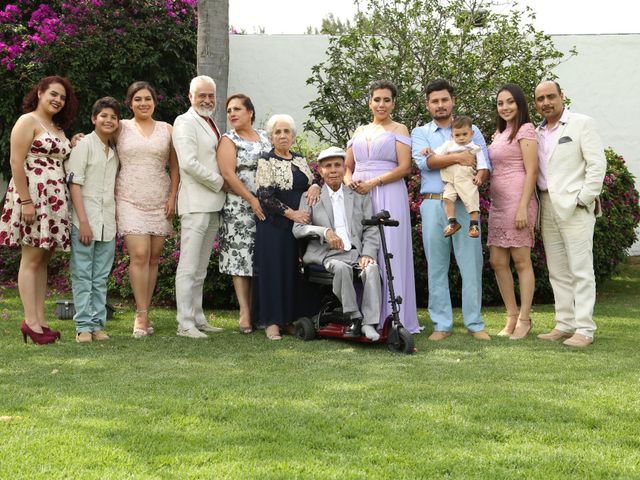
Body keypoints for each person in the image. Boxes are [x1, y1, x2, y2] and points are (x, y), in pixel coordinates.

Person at [411, 78, 491, 341]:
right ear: (428, 104)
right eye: (435, 101)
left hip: (466, 206)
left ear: (452, 101)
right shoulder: (420, 133)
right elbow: (427, 163)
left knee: (471, 265)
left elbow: (484, 164)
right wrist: (458, 157)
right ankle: (441, 324)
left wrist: (458, 162)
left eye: (445, 99)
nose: (440, 105)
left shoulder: (471, 129)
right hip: (435, 203)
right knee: (436, 266)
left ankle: (475, 323)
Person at [0, 76, 78, 344]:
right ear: (40, 92)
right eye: (53, 94)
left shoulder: (56, 127)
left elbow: (61, 157)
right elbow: (15, 161)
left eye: (62, 97)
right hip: (33, 197)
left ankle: (40, 321)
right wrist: (25, 202)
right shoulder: (27, 121)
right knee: (31, 259)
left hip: (54, 200)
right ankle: (30, 322)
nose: (57, 100)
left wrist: (74, 142)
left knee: (43, 260)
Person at [344, 80, 420, 334]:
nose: (381, 104)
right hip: (359, 197)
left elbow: (404, 167)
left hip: (388, 192)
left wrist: (373, 182)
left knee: (391, 250)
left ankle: (394, 316)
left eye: (387, 100)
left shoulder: (400, 129)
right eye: (377, 99)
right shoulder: (359, 130)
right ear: (369, 102)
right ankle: (362, 317)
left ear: (393, 103)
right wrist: (350, 183)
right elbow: (347, 167)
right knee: (362, 250)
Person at [534, 80, 606, 347]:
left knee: (581, 269)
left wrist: (584, 198)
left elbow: (597, 164)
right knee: (558, 271)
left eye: (551, 96)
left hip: (575, 207)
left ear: (562, 96)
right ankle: (564, 324)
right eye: (540, 99)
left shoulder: (581, 123)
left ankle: (585, 328)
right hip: (546, 205)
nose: (546, 103)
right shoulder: (537, 132)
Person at [293, 146, 382, 341]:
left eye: (337, 165)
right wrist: (324, 231)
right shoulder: (310, 197)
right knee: (341, 268)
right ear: (320, 171)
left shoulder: (359, 196)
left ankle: (369, 323)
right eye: (327, 166)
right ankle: (355, 317)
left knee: (373, 269)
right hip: (326, 255)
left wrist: (368, 254)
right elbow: (298, 229)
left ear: (344, 168)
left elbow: (370, 228)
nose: (333, 170)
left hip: (355, 253)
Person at [115, 81, 179, 338]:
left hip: (160, 199)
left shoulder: (167, 129)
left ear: (154, 102)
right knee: (139, 255)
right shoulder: (120, 127)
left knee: (153, 258)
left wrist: (173, 197)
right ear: (129, 102)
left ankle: (146, 309)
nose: (143, 103)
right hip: (129, 197)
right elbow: (98, 140)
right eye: (138, 99)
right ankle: (140, 315)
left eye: (148, 99)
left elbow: (175, 168)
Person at [253, 114, 318, 340]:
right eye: (277, 132)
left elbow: (314, 180)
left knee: (294, 272)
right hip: (275, 225)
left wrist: (316, 187)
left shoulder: (300, 160)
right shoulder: (266, 160)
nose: (282, 135)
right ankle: (271, 321)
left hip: (299, 227)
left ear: (293, 135)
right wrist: (292, 214)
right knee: (274, 272)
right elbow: (265, 196)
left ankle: (290, 320)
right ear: (271, 137)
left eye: (286, 131)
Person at [172, 75, 227, 339]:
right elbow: (188, 164)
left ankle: (198, 316)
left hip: (212, 204)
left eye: (210, 96)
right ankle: (184, 323)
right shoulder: (184, 121)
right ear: (190, 96)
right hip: (195, 203)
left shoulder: (210, 122)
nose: (207, 100)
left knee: (201, 267)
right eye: (201, 95)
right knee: (189, 265)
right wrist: (220, 182)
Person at [65, 97, 121, 343]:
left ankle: (98, 324)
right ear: (93, 119)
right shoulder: (83, 145)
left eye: (113, 117)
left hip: (108, 222)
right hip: (84, 222)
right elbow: (75, 185)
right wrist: (84, 222)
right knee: (82, 274)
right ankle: (83, 326)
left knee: (100, 277)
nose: (108, 120)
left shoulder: (115, 151)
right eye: (104, 116)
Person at [487, 84, 539, 340]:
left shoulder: (526, 130)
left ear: (520, 104)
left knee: (521, 261)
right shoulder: (499, 133)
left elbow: (532, 171)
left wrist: (522, 207)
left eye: (510, 102)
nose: (505, 107)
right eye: (500, 103)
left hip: (519, 203)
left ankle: (525, 319)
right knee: (497, 262)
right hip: (497, 205)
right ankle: (511, 315)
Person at [218, 94, 271, 334]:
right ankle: (245, 313)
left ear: (250, 112)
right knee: (240, 259)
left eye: (237, 109)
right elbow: (228, 174)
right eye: (229, 110)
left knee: (260, 256)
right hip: (240, 206)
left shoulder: (266, 137)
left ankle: (262, 311)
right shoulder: (229, 139)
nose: (232, 114)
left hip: (268, 205)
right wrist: (251, 199)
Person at [433, 116, 489, 238]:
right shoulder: (448, 145)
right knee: (447, 198)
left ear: (472, 133)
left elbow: (482, 165)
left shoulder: (475, 148)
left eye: (465, 134)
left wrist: (479, 176)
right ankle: (453, 222)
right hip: (450, 180)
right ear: (452, 135)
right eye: (457, 135)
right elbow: (436, 155)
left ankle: (473, 225)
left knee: (471, 198)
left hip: (466, 178)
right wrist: (428, 151)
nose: (462, 138)